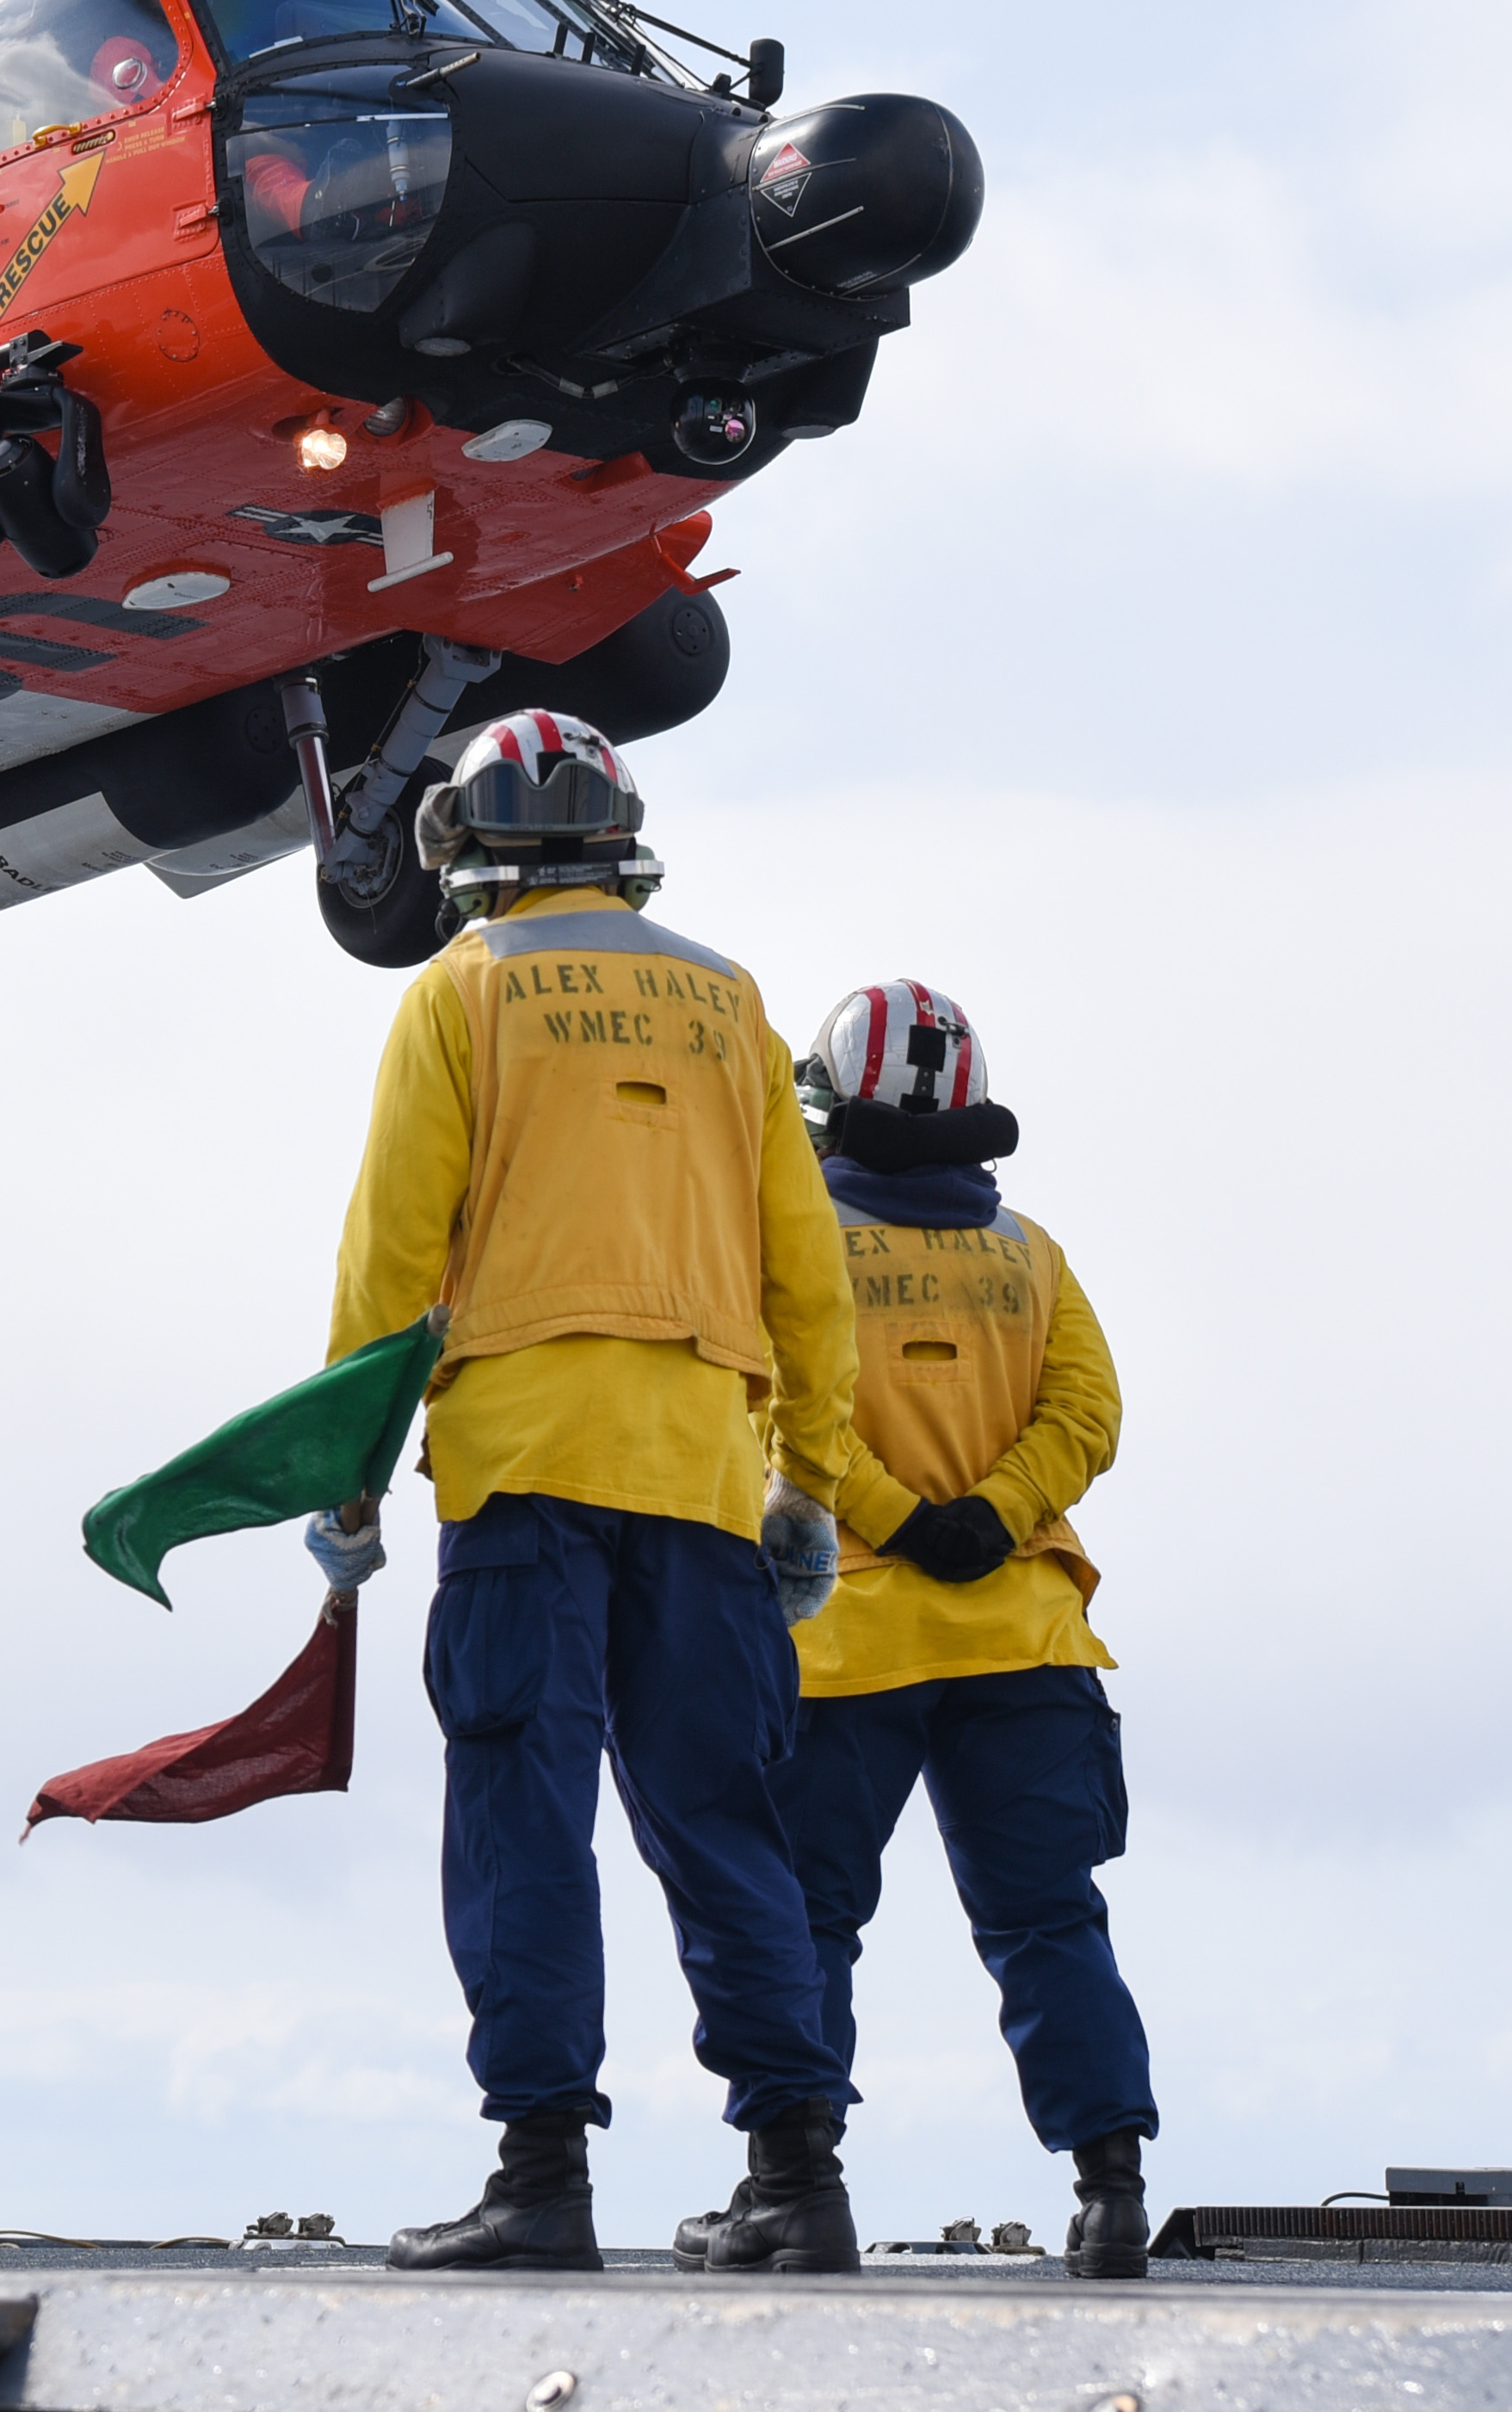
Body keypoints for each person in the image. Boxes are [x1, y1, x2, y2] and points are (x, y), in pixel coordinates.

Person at [320, 707, 872, 2276]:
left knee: (525, 1817)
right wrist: (806, 1481)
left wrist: (350, 1476)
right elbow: (806, 1268)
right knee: (725, 1821)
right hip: (702, 1477)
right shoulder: (731, 1002)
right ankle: (795, 2175)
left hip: (521, 1471)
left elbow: (389, 1261)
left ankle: (543, 2175)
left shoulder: (463, 991)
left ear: (470, 849)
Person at [764, 981, 1157, 2278]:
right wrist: (988, 1517)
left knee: (805, 1919)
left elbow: (771, 1415)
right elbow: (1086, 1413)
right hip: (1024, 1643)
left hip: (845, 1643)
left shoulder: (792, 1244)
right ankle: (1109, 2199)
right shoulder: (1029, 1255)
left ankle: (795, 2192)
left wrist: (890, 1515)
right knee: (1049, 1923)